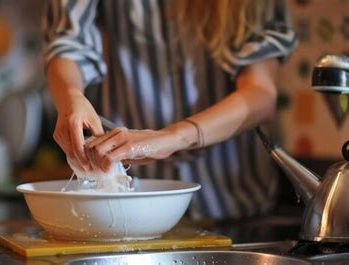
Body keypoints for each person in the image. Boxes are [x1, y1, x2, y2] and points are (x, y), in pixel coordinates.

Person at [43, 0, 297, 220]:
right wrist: (71, 97)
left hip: (236, 200)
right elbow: (68, 43)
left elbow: (260, 95)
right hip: (135, 207)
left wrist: (173, 138)